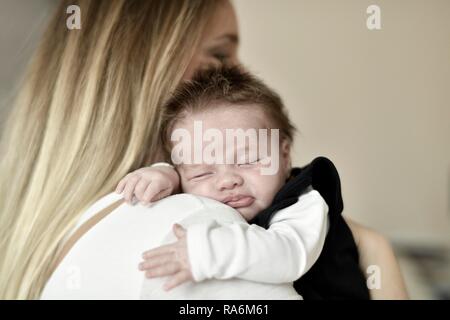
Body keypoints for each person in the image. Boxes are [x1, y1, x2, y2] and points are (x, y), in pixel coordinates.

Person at [0, 0, 408, 299]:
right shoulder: (199, 222)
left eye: (249, 157)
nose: (243, 76)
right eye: (220, 55)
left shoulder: (81, 224)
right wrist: (376, 251)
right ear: (143, 68)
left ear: (285, 153)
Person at [116, 66, 371, 299]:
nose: (228, 181)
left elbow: (288, 255)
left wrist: (207, 250)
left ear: (284, 156)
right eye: (202, 173)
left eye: (248, 160)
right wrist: (165, 176)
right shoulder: (192, 187)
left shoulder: (305, 202)